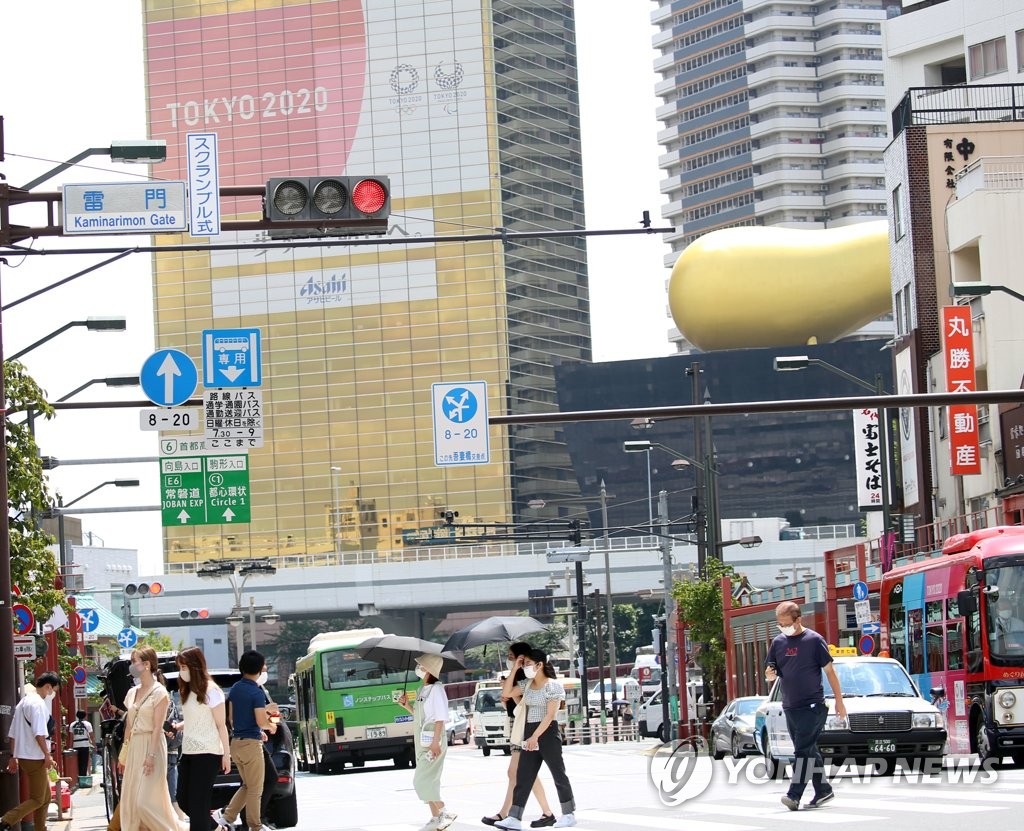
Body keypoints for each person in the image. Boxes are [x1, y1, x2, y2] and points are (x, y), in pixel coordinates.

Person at [765, 601, 848, 812]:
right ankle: (823, 790)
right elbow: (770, 667)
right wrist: (769, 674)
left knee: (802, 751)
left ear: (798, 619)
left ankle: (794, 795)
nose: (783, 627)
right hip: (790, 706)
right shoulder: (778, 643)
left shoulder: (813, 640)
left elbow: (830, 671)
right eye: (780, 624)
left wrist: (839, 701)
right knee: (809, 750)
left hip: (813, 705)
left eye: (786, 623)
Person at [496, 650, 576, 830]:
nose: (526, 667)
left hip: (547, 732)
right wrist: (514, 668)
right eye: (524, 664)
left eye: (528, 663)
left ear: (540, 665)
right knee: (524, 775)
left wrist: (535, 737)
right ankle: (515, 817)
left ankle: (568, 813)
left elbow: (550, 716)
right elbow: (507, 691)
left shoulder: (553, 686)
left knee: (558, 773)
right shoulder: (527, 685)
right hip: (530, 731)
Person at [482, 642, 554, 827]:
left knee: (515, 772)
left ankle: (506, 813)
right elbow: (512, 708)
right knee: (524, 773)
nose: (509, 660)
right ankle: (546, 812)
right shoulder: (515, 676)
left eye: (512, 657)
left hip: (525, 727)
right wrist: (505, 695)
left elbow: (526, 703)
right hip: (517, 725)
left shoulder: (527, 678)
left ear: (521, 658)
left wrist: (510, 690)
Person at [117, 647, 183, 831]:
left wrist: (151, 756)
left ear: (146, 665)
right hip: (135, 746)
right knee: (131, 801)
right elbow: (129, 725)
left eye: (134, 661)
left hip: (152, 745)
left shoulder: (159, 692)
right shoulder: (132, 693)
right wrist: (124, 751)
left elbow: (157, 727)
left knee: (144, 802)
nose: (132, 666)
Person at [396, 654, 456, 831]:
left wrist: (436, 742)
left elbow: (440, 719)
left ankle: (445, 812)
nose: (418, 669)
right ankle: (436, 817)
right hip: (424, 739)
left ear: (429, 670)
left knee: (421, 781)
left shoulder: (437, 689)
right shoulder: (424, 689)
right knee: (430, 780)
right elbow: (420, 716)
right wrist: (406, 705)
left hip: (432, 740)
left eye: (421, 666)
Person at [216, 650, 274, 831]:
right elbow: (260, 720)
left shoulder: (235, 688)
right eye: (263, 665)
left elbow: (231, 718)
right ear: (257, 669)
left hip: (236, 743)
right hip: (251, 745)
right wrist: (270, 726)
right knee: (256, 789)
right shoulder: (256, 692)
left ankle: (226, 817)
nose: (265, 668)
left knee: (248, 785)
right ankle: (255, 826)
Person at [177, 647, 231, 831]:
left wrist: (226, 754)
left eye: (184, 666)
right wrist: (178, 726)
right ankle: (217, 828)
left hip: (208, 753)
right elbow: (196, 717)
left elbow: (220, 724)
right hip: (188, 752)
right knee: (184, 800)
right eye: (180, 667)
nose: (181, 671)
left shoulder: (211, 690)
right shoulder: (187, 690)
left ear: (195, 666)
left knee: (198, 805)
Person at [0, 672, 60, 831]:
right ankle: (6, 820)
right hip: (35, 757)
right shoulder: (38, 704)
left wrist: (14, 756)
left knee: (45, 798)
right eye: (53, 690)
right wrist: (47, 755)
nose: (52, 693)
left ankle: (41, 828)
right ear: (48, 687)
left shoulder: (23, 703)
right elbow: (39, 733)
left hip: (25, 756)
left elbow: (12, 733)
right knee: (38, 799)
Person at [165, 693, 187, 821]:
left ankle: (179, 820)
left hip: (163, 750)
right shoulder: (170, 701)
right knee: (172, 789)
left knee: (171, 791)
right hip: (172, 749)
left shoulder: (159, 698)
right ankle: (179, 819)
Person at [69, 709, 95, 777]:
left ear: (77, 715)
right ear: (85, 716)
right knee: (84, 762)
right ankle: (83, 777)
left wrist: (70, 747)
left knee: (76, 762)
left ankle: (77, 777)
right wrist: (94, 745)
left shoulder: (72, 724)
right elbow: (91, 736)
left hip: (75, 745)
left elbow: (71, 737)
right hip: (84, 744)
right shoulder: (88, 724)